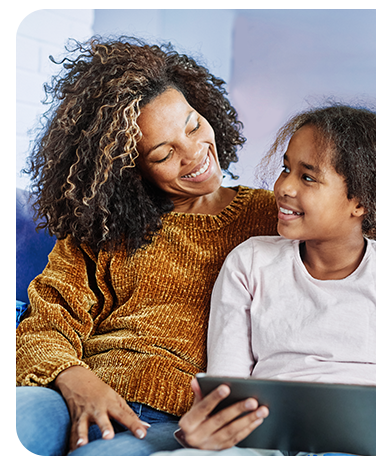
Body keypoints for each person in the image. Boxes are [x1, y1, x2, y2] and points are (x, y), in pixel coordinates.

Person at [15, 36, 277, 456]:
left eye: (192, 125)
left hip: (175, 419)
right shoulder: (103, 227)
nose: (194, 154)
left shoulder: (272, 217)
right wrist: (76, 380)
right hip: (73, 393)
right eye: (163, 153)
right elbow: (43, 324)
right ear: (130, 169)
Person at [167, 105, 376, 456]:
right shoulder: (250, 262)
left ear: (361, 202)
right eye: (286, 169)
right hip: (265, 448)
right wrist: (207, 430)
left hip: (366, 451)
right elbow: (227, 393)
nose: (283, 187)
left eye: (308, 177)